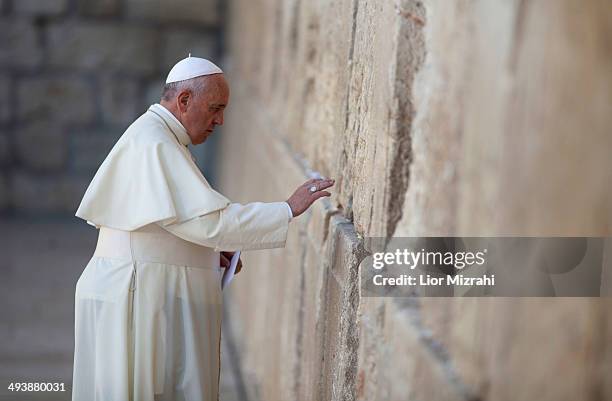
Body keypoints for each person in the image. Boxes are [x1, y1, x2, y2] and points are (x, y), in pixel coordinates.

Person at [71, 56, 334, 401]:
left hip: (137, 289)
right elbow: (210, 223)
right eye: (215, 108)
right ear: (184, 101)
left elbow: (172, 222)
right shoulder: (155, 143)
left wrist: (211, 253)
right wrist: (286, 209)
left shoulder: (160, 136)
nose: (220, 120)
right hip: (134, 295)